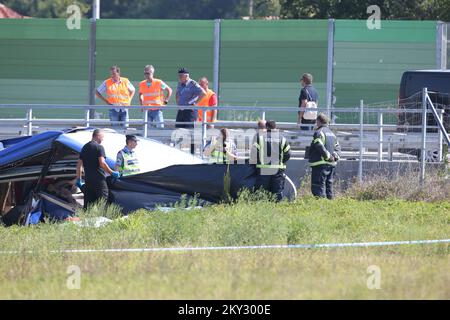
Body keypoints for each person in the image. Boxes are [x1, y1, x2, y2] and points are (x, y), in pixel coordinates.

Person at [76, 129, 120, 210]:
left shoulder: (85, 147)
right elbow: (102, 163)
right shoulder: (99, 147)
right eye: (102, 137)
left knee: (88, 205)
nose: (103, 139)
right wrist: (112, 172)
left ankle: (87, 220)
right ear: (98, 136)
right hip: (99, 180)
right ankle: (102, 220)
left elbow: (79, 165)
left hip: (88, 180)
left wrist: (78, 179)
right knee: (103, 202)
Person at [251, 120, 291, 201]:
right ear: (275, 127)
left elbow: (254, 152)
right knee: (277, 192)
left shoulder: (260, 137)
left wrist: (257, 163)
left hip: (263, 169)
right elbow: (288, 153)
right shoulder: (282, 138)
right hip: (277, 169)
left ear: (266, 127)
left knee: (261, 192)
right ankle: (276, 210)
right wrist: (281, 162)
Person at [308, 113, 341, 199]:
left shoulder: (319, 132)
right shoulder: (332, 134)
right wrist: (335, 157)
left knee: (318, 186)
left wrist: (327, 156)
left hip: (320, 164)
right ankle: (329, 203)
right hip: (330, 164)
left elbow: (319, 145)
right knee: (328, 185)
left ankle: (321, 205)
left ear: (318, 121)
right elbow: (337, 147)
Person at [139, 65, 172, 129]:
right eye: (145, 73)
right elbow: (140, 94)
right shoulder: (142, 83)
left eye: (148, 73)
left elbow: (169, 90)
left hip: (157, 109)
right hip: (147, 110)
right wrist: (141, 105)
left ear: (152, 73)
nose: (146, 75)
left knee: (160, 128)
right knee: (146, 128)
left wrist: (165, 102)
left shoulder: (158, 82)